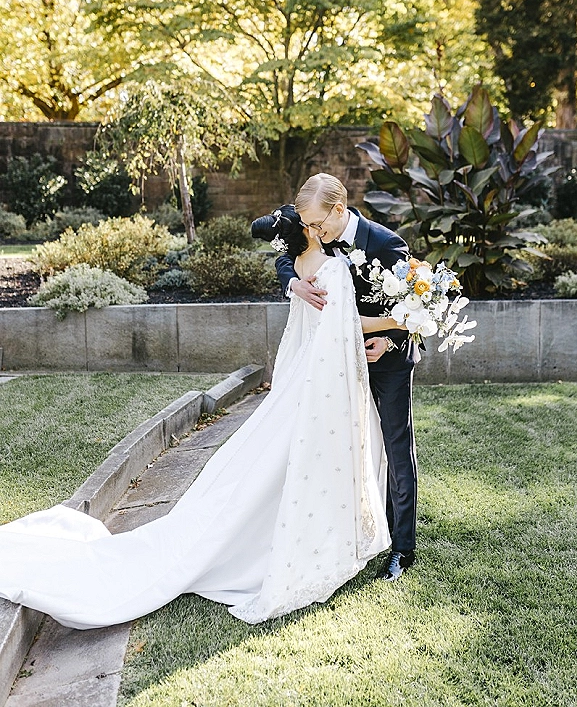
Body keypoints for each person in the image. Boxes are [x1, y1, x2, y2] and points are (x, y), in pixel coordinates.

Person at [0, 206, 389, 629]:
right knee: (292, 463)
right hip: (321, 380)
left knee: (273, 462)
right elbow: (344, 325)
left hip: (306, 378)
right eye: (312, 223)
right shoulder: (328, 267)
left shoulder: (301, 261)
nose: (318, 227)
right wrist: (398, 319)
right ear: (309, 229)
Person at [275, 174, 419, 581]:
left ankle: (402, 548)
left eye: (319, 225)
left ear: (339, 210)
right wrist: (293, 284)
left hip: (386, 361)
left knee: (395, 445)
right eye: (308, 227)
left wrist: (390, 342)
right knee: (342, 443)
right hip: (339, 363)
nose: (313, 233)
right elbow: (285, 255)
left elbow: (414, 306)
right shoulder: (316, 237)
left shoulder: (387, 244)